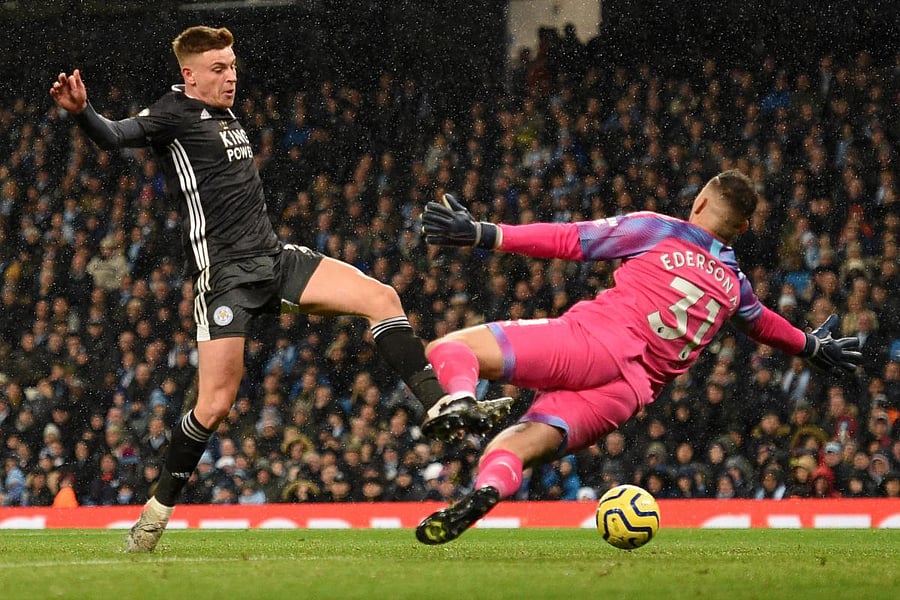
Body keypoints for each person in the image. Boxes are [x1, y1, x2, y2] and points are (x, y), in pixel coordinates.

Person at [50, 25, 511, 553]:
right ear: (190, 75)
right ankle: (154, 516)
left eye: (233, 66)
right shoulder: (171, 113)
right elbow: (113, 136)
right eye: (219, 69)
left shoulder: (225, 114)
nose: (231, 77)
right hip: (225, 279)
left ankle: (438, 406)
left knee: (381, 297)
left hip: (274, 259)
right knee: (214, 406)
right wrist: (82, 111)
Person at [414, 170, 862, 544]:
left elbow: (572, 239)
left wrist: (483, 233)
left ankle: (460, 400)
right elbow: (761, 322)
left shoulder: (663, 229)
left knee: (447, 349)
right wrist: (812, 345)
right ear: (742, 228)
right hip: (627, 394)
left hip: (591, 345)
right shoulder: (733, 285)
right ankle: (487, 489)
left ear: (701, 201)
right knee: (511, 447)